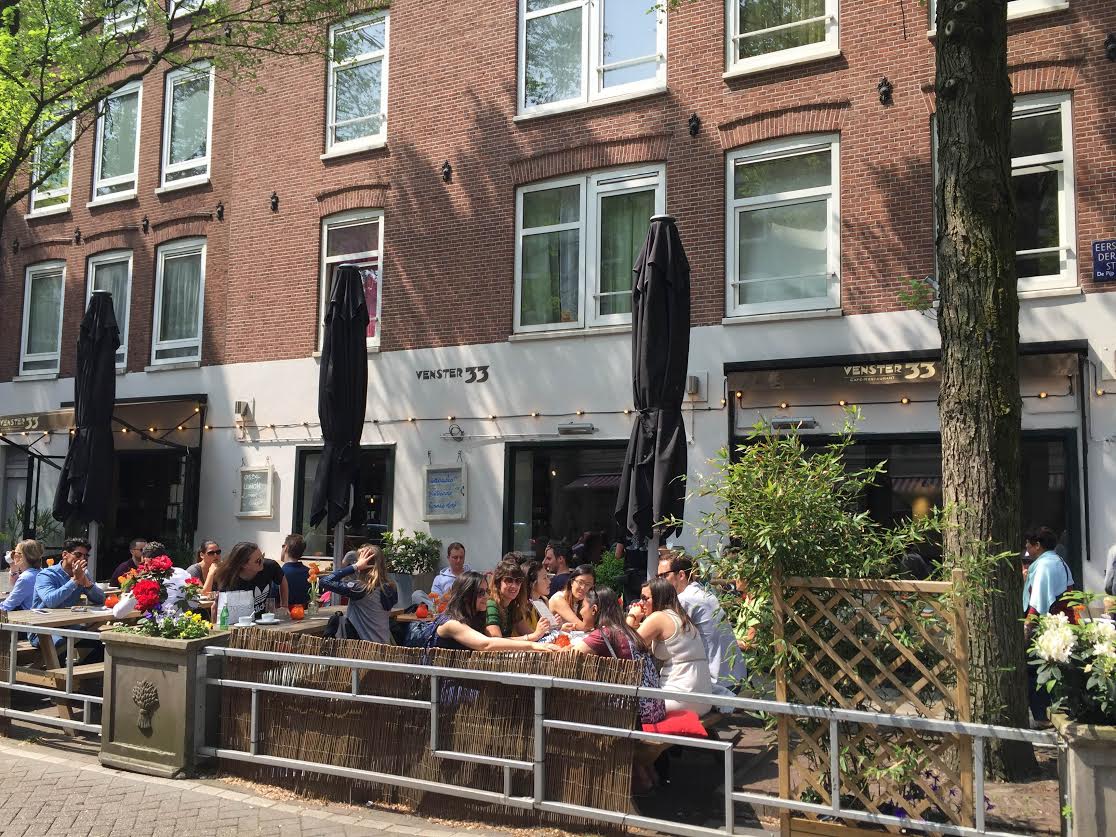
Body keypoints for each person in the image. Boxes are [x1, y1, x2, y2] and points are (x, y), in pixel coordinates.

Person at [656, 552, 746, 699]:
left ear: (681, 575)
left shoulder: (685, 599)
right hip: (734, 676)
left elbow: (658, 631)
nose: (659, 582)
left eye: (664, 576)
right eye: (657, 577)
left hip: (717, 684)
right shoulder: (702, 592)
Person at [627, 579, 713, 716]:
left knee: (622, 704)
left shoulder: (658, 617)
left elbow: (626, 645)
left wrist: (632, 616)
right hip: (702, 699)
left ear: (659, 597)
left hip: (679, 698)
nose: (641, 603)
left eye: (645, 598)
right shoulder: (681, 617)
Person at [1022, 526, 1075, 726]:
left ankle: (1041, 716)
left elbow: (1038, 601)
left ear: (1037, 545)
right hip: (1062, 623)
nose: (1026, 549)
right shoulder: (1059, 561)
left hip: (1047, 626)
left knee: (1035, 669)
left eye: (1028, 545)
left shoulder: (1044, 566)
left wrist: (1028, 626)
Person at [429, 571, 556, 652]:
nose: (486, 596)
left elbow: (498, 641)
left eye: (487, 591)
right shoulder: (452, 623)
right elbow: (486, 644)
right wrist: (531, 645)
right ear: (466, 596)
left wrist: (531, 640)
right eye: (480, 592)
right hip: (440, 682)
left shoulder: (476, 616)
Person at [318, 545, 398, 643]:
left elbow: (325, 581)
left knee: (336, 620)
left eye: (358, 561)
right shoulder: (391, 587)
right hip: (383, 645)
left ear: (363, 564)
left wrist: (354, 567)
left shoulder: (361, 588)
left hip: (363, 647)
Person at [111, 541, 195, 618]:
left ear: (145, 559)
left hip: (160, 625)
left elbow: (118, 613)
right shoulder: (183, 573)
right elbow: (194, 603)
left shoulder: (146, 580)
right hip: (185, 623)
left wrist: (123, 598)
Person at [207, 541, 288, 617]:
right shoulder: (229, 579)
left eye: (262, 557)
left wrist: (284, 605)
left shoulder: (269, 566)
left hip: (264, 618)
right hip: (240, 622)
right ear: (243, 564)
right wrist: (215, 626)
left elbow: (282, 579)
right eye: (258, 561)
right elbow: (216, 607)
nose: (262, 562)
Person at [33, 538, 106, 610]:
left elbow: (101, 600)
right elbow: (50, 602)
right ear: (65, 555)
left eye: (86, 556)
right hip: (43, 617)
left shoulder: (83, 573)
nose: (82, 559)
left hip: (69, 617)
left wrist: (88, 585)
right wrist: (75, 580)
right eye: (78, 554)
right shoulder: (46, 574)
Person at [485, 560, 549, 640]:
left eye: (518, 581)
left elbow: (530, 634)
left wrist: (551, 631)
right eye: (509, 580)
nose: (514, 586)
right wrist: (531, 637)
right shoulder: (491, 604)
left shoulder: (513, 606)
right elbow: (496, 641)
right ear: (498, 583)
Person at [548, 564, 596, 631]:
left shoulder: (584, 602)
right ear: (572, 582)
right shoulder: (558, 599)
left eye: (588, 584)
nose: (583, 587)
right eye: (580, 582)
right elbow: (582, 627)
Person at [1, 539, 44, 612]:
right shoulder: (41, 572)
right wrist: (13, 566)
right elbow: (13, 585)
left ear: (22, 556)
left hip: (26, 616)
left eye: (14, 553)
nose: (12, 556)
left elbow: (7, 606)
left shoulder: (25, 578)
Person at [518, 559, 552, 631]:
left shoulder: (543, 601)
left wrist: (560, 627)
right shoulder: (520, 605)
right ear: (532, 583)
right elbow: (532, 635)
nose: (549, 581)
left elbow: (549, 630)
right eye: (544, 578)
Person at [280, 534, 311, 606]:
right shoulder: (309, 573)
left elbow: (273, 601)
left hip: (284, 612)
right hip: (303, 611)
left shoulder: (279, 573)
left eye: (282, 546)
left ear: (285, 547)